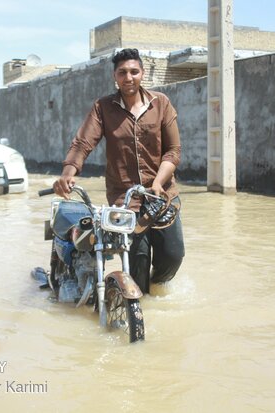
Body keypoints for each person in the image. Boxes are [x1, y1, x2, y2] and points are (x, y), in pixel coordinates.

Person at [53, 48, 185, 294]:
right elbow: (83, 143)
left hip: (162, 195)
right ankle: (140, 306)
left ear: (142, 74)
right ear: (115, 76)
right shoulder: (103, 108)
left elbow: (173, 151)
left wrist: (157, 183)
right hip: (125, 199)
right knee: (138, 258)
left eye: (134, 71)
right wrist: (69, 171)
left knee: (173, 256)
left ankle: (157, 288)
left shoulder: (161, 103)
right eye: (122, 72)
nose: (129, 77)